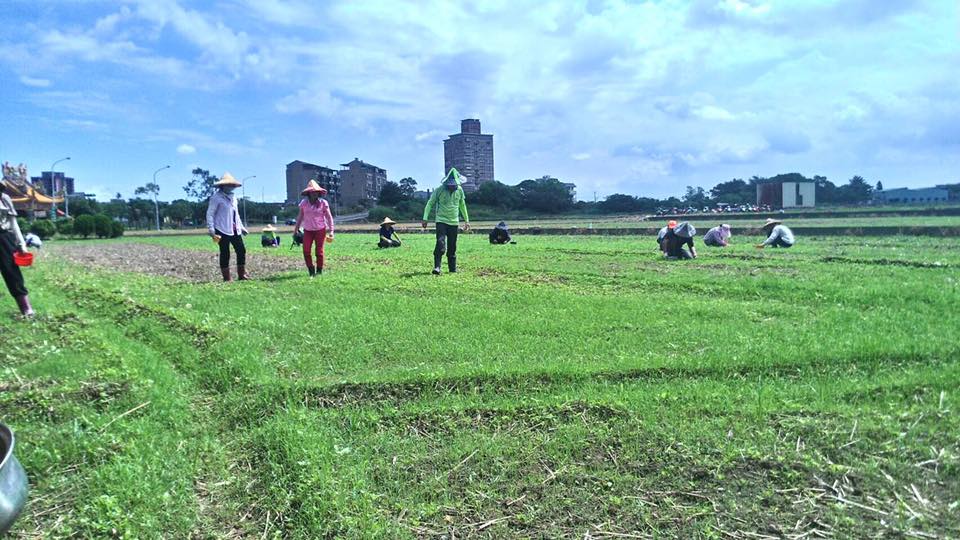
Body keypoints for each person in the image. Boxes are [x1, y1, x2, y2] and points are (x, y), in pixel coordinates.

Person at [421, 168, 470, 274]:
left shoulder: (460, 190)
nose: (452, 187)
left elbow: (462, 205)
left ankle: (452, 269)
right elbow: (430, 203)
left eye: (454, 185)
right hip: (441, 220)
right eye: (450, 185)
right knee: (440, 242)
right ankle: (437, 267)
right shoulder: (439, 190)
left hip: (454, 222)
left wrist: (467, 221)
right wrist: (425, 218)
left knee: (452, 246)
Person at [206, 172, 249, 281]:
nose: (231, 187)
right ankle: (227, 277)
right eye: (228, 185)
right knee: (225, 252)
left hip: (234, 229)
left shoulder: (234, 198)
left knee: (241, 250)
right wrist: (211, 229)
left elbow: (236, 214)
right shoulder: (216, 198)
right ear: (222, 186)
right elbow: (210, 214)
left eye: (232, 185)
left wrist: (241, 227)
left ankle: (241, 274)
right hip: (221, 229)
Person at [0, 180, 33, 317]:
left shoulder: (4, 198)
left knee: (12, 273)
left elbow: (13, 223)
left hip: (4, 237)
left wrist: (21, 244)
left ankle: (26, 309)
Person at [293, 180, 334, 277]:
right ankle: (311, 271)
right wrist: (295, 230)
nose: (314, 194)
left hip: (320, 230)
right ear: (308, 193)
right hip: (308, 230)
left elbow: (329, 217)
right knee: (306, 251)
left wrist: (331, 231)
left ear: (319, 193)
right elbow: (300, 217)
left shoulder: (323, 203)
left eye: (316, 192)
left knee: (319, 252)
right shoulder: (304, 203)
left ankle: (319, 271)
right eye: (312, 192)